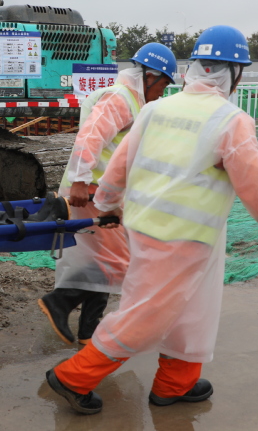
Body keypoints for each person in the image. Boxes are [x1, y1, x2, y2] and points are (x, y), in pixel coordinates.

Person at [45, 26, 258, 415]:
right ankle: (74, 377)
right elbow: (255, 183)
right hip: (186, 237)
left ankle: (174, 383)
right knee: (147, 314)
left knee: (194, 308)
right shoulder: (230, 121)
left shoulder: (155, 110)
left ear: (194, 68)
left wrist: (109, 203)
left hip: (154, 228)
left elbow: (119, 164)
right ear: (234, 74)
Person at [38, 43, 176, 345]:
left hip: (103, 193)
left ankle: (89, 330)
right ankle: (59, 301)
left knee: (102, 258)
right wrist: (79, 180)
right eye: (163, 84)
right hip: (91, 193)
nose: (162, 92)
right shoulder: (121, 98)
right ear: (150, 77)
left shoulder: (134, 102)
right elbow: (91, 136)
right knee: (118, 261)